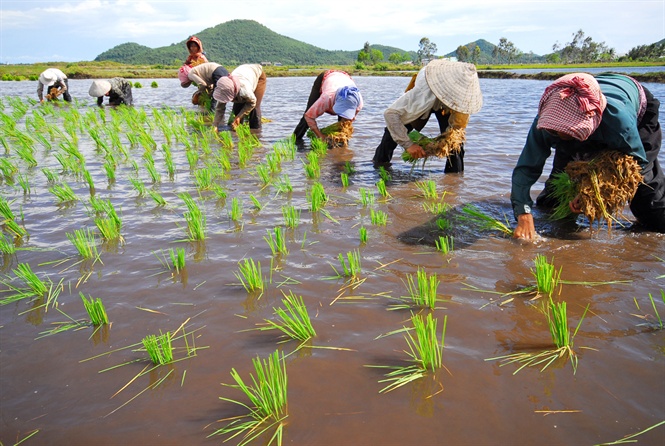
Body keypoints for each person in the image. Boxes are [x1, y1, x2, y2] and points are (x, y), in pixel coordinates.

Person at [511, 72, 664, 239]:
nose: (559, 135)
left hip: (635, 110)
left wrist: (592, 192)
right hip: (589, 105)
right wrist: (523, 213)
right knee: (553, 201)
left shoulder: (619, 124)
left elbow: (637, 163)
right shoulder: (546, 123)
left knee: (649, 205)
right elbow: (526, 169)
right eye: (555, 131)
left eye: (568, 132)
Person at [372, 59, 483, 172]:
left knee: (455, 145)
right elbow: (390, 114)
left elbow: (457, 130)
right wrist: (409, 145)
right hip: (429, 91)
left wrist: (439, 145)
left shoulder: (464, 99)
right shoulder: (425, 90)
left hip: (447, 106)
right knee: (392, 134)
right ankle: (379, 168)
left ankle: (454, 182)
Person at [292, 70, 363, 142]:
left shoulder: (358, 103)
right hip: (326, 78)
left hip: (344, 77)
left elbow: (350, 119)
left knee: (344, 123)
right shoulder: (326, 98)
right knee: (308, 114)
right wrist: (320, 136)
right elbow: (308, 117)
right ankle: (295, 140)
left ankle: (341, 145)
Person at [212, 64, 266, 131]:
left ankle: (256, 132)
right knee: (237, 109)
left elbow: (252, 103)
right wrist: (215, 125)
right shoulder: (224, 89)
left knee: (254, 110)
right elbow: (220, 109)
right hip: (240, 76)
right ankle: (235, 133)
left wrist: (239, 116)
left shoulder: (245, 90)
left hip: (257, 75)